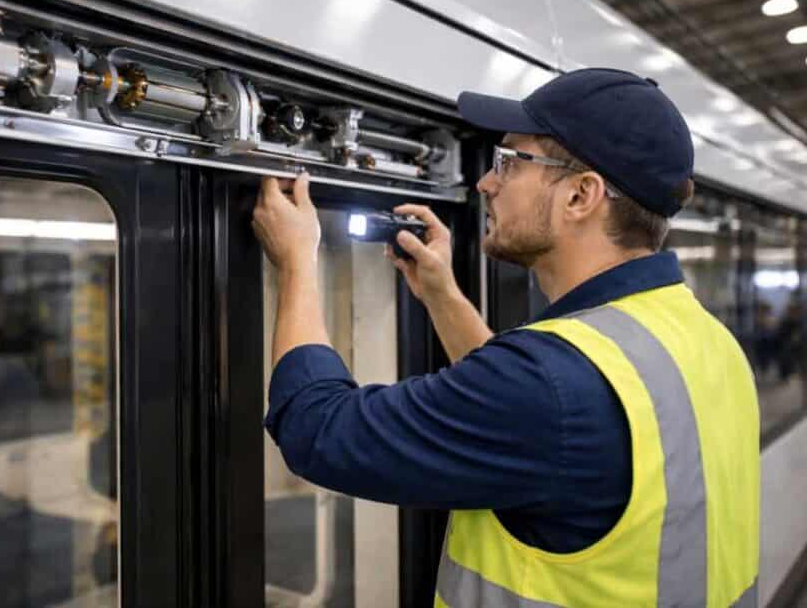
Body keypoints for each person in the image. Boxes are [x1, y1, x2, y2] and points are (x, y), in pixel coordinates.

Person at [253, 68, 759, 607]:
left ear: (581, 195)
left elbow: (317, 430)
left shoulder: (550, 383)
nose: (485, 183)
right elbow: (538, 427)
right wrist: (441, 294)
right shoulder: (708, 341)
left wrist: (297, 263)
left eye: (509, 163)